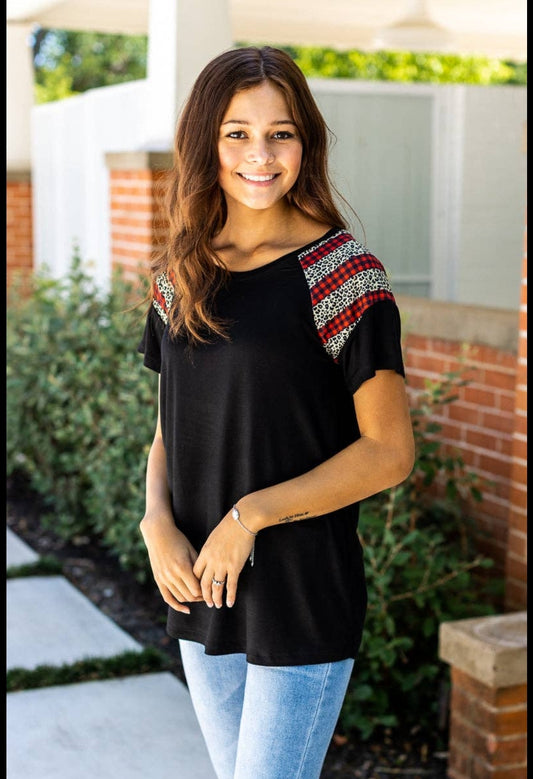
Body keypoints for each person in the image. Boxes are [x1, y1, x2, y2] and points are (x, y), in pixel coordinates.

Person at [137, 45, 415, 779]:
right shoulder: (179, 275)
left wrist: (246, 516)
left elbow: (388, 451)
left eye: (280, 132)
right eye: (237, 132)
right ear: (206, 142)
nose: (260, 154)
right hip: (199, 586)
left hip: (299, 597)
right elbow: (170, 425)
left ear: (305, 142)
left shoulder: (344, 275)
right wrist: (154, 520)